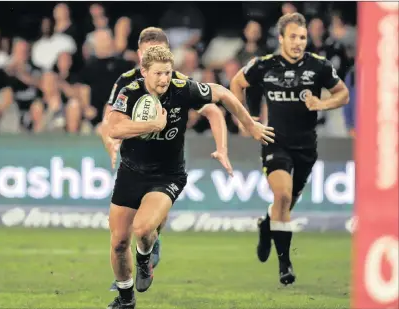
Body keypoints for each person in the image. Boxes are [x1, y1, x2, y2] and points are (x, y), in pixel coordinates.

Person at [106, 45, 274, 309]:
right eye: (158, 74)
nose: (164, 79)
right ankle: (126, 299)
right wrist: (151, 125)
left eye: (167, 73)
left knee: (143, 228)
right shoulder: (131, 92)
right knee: (118, 243)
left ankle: (144, 258)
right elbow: (113, 128)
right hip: (130, 172)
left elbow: (222, 93)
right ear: (144, 72)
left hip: (167, 175)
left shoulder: (182, 88)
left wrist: (249, 125)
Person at [100, 27, 232, 292]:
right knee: (122, 236)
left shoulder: (179, 82)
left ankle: (149, 245)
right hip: (134, 164)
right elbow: (109, 121)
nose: (153, 58)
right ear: (140, 56)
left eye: (159, 54)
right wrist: (111, 145)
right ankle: (132, 271)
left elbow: (213, 111)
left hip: (166, 168)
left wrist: (222, 147)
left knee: (148, 223)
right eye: (148, 54)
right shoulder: (127, 83)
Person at [230, 12, 349, 285]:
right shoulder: (265, 65)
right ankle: (285, 265)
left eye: (303, 37)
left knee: (284, 204)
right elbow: (237, 83)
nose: (298, 42)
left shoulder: (318, 66)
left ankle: (265, 225)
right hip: (276, 142)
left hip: (306, 147)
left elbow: (343, 94)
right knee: (282, 196)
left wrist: (322, 104)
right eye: (293, 37)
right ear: (281, 38)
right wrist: (247, 121)